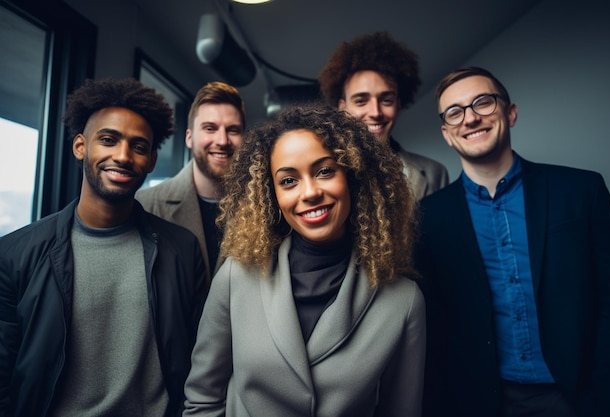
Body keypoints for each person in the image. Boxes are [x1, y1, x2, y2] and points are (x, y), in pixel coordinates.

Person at [183, 104, 426, 416]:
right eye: (288, 181)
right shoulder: (236, 277)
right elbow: (203, 400)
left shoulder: (403, 301)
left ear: (352, 177)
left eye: (324, 171)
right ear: (272, 195)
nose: (309, 192)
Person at [415, 66, 610, 417]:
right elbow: (434, 324)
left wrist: (607, 392)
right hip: (482, 401)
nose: (470, 118)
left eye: (482, 103)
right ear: (447, 134)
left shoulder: (580, 191)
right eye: (455, 112)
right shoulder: (427, 217)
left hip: (580, 395)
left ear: (510, 113)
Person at [0, 78, 208, 417]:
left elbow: (201, 363)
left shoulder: (181, 251)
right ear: (81, 146)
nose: (123, 156)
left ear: (152, 160)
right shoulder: (14, 256)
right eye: (108, 140)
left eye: (139, 146)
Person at [318, 31, 449, 200]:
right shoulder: (320, 169)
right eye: (361, 101)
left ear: (399, 105)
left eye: (386, 100)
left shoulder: (434, 173)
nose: (375, 113)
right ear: (342, 107)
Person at [136, 81, 245, 278]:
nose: (222, 141)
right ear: (189, 138)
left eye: (233, 130)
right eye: (210, 128)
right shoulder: (145, 205)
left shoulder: (262, 208)